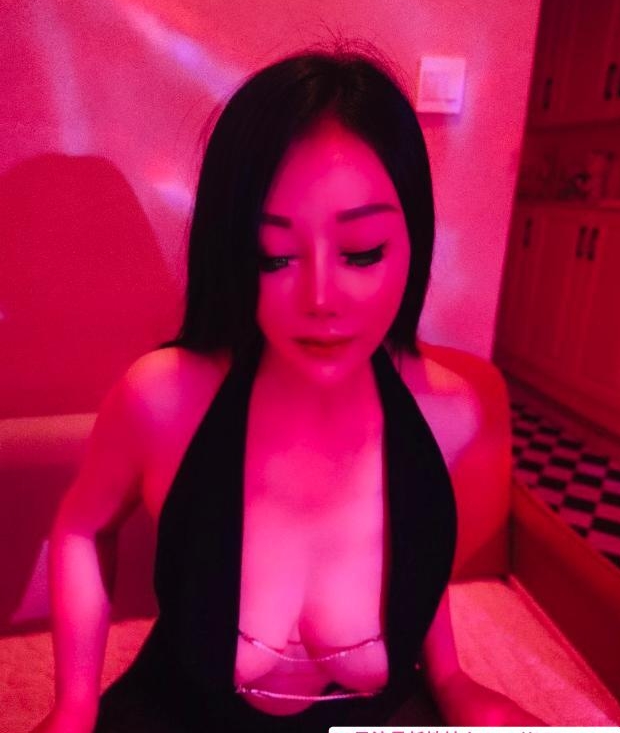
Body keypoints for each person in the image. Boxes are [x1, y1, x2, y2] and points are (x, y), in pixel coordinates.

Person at [34, 41, 544, 732]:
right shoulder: (164, 399)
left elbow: (413, 545)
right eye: (273, 255)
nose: (321, 298)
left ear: (414, 241)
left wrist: (452, 680)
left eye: (362, 251)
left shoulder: (448, 411)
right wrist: (73, 705)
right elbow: (80, 528)